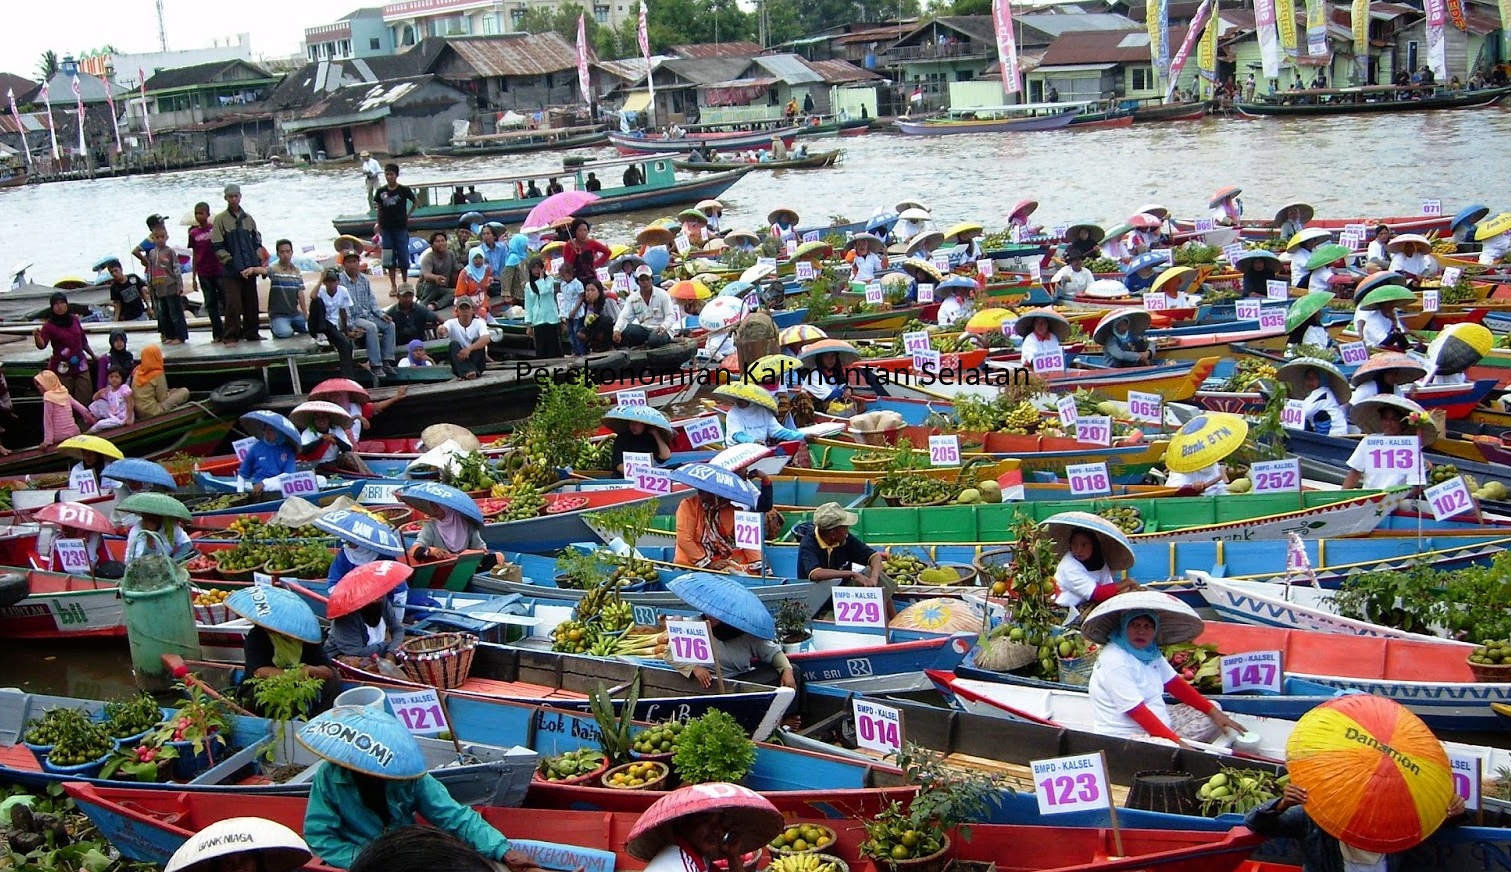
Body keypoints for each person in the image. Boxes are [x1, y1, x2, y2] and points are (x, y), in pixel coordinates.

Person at [302, 706, 537, 870]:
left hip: (405, 852)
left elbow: (455, 816)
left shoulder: (409, 776)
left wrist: (502, 850)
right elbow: (320, 836)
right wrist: (367, 861)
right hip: (358, 858)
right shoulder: (331, 776)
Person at [1087, 601, 1247, 743]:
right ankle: (1177, 747)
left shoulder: (1150, 652)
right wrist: (1178, 744)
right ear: (1124, 627)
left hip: (1161, 721)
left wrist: (1214, 713)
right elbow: (1137, 712)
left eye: (1147, 626)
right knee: (1168, 746)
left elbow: (1174, 684)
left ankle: (1177, 744)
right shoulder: (1115, 660)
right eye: (1135, 625)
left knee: (1214, 708)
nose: (1141, 632)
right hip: (1126, 735)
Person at [1247, 781, 1463, 872]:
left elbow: (1436, 822)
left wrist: (1454, 811)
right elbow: (1255, 824)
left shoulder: (1400, 819)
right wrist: (1282, 804)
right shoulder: (1314, 815)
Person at [795, 503, 891, 612]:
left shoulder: (845, 539)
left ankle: (893, 621)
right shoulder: (808, 543)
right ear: (833, 533)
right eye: (845, 528)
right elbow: (815, 574)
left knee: (872, 572)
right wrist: (852, 574)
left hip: (842, 593)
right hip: (816, 597)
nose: (848, 531)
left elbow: (875, 556)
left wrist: (874, 578)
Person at [674, 470, 773, 570]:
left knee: (746, 568)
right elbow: (684, 540)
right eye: (701, 489)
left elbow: (747, 541)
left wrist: (759, 565)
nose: (701, 492)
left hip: (721, 559)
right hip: (691, 563)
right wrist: (708, 564)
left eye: (706, 490)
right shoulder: (688, 505)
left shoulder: (732, 510)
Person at [211, 183, 265, 345]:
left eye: (236, 196)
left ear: (240, 197)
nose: (234, 199)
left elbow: (257, 242)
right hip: (231, 270)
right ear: (225, 198)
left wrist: (256, 262)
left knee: (251, 301)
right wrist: (231, 262)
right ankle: (231, 335)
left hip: (250, 267)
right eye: (230, 196)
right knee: (233, 303)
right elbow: (217, 245)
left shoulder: (248, 219)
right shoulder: (220, 220)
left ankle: (252, 332)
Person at [1343, 396, 1433, 488]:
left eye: (1394, 419)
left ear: (1403, 424)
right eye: (1385, 418)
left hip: (1399, 498)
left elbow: (1415, 485)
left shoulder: (1411, 446)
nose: (1388, 423)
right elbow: (1355, 471)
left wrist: (1392, 497)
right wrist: (1342, 497)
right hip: (1370, 496)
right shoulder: (1369, 441)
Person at [340, 252, 399, 378]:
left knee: (390, 325)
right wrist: (350, 325)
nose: (352, 265)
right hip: (354, 318)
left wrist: (381, 314)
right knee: (371, 327)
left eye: (354, 261)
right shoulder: (341, 281)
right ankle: (375, 364)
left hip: (367, 314)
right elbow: (343, 308)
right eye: (349, 262)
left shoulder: (363, 279)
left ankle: (387, 360)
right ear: (344, 264)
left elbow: (372, 301)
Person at [1053, 529, 1138, 610]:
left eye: (1084, 545)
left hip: (1087, 604)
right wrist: (1128, 582)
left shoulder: (1098, 560)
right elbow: (1099, 594)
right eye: (1074, 544)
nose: (1078, 550)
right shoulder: (1069, 567)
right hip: (1064, 609)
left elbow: (1107, 587)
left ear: (1093, 545)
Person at [326, 583, 404, 668]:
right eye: (374, 598)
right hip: (344, 655)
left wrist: (391, 652)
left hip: (378, 650)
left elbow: (398, 629)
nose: (379, 599)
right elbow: (355, 651)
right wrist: (388, 644)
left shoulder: (382, 601)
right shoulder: (347, 617)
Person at [375, 163, 417, 296]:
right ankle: (393, 285)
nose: (389, 177)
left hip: (400, 228)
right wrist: (378, 224)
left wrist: (408, 215)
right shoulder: (380, 191)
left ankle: (404, 282)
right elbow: (379, 209)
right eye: (387, 174)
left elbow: (415, 201)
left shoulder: (403, 190)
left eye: (391, 174)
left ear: (396, 175)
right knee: (388, 258)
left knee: (403, 256)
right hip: (386, 229)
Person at [311, 267, 360, 381]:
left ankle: (347, 376)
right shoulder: (321, 291)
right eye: (328, 281)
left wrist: (346, 330)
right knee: (316, 302)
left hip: (332, 325)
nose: (331, 284)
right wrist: (321, 279)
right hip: (318, 323)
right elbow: (313, 296)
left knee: (346, 345)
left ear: (338, 281)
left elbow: (343, 311)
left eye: (334, 281)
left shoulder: (342, 291)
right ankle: (320, 334)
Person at [187, 201, 225, 341]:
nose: (198, 216)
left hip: (218, 270)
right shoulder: (193, 233)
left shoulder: (215, 229)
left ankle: (232, 331)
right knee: (210, 303)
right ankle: (217, 333)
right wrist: (194, 276)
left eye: (201, 213)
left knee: (225, 300)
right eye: (196, 213)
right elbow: (195, 254)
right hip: (203, 272)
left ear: (208, 214)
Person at [146, 224, 189, 345]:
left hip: (170, 286)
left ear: (166, 237)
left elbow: (176, 269)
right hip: (158, 288)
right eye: (157, 237)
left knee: (175, 313)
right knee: (163, 313)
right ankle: (169, 334)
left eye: (162, 237)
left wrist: (179, 285)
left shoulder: (170, 252)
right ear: (153, 238)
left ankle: (180, 336)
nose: (160, 239)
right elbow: (150, 270)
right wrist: (149, 286)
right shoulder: (152, 253)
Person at [614, 266, 678, 348]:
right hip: (644, 329)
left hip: (662, 330)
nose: (645, 282)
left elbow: (670, 316)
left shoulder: (663, 294)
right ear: (637, 282)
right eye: (642, 280)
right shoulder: (632, 298)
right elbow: (624, 317)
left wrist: (663, 326)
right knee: (625, 331)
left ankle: (647, 344)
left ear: (652, 280)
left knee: (654, 339)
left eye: (648, 279)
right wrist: (617, 330)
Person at [238, 416, 298, 494]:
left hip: (279, 486)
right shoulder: (255, 448)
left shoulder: (288, 450)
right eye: (265, 430)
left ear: (278, 431)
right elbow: (242, 474)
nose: (267, 433)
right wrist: (240, 493)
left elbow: (288, 474)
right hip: (258, 488)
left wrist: (265, 483)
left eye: (271, 430)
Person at [263, 240, 310, 339]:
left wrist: (305, 313)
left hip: (294, 313)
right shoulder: (274, 268)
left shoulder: (296, 270)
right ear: (277, 254)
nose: (285, 255)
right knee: (285, 333)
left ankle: (293, 324)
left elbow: (300, 293)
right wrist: (253, 270)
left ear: (292, 252)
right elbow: (264, 270)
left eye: (288, 251)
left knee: (311, 328)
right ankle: (277, 325)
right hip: (279, 315)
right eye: (282, 252)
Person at [35, 371, 93, 450]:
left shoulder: (48, 397)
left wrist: (47, 440)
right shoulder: (64, 391)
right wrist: (90, 418)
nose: (39, 387)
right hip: (74, 432)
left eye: (41, 384)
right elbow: (80, 408)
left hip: (59, 436)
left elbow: (47, 420)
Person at [132, 345, 190, 419]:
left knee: (173, 391)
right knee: (184, 391)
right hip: (153, 412)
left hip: (138, 412)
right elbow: (162, 398)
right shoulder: (157, 373)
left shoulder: (137, 371)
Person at [523, 256, 563, 359]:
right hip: (538, 319)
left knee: (553, 346)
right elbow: (528, 306)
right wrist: (528, 324)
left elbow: (544, 291)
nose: (536, 270)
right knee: (541, 347)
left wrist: (541, 278)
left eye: (539, 267)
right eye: (534, 268)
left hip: (551, 318)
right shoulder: (528, 286)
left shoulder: (549, 280)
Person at [441, 298, 489, 380]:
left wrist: (469, 349)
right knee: (454, 344)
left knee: (477, 340)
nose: (465, 311)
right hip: (460, 362)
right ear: (457, 311)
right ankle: (467, 371)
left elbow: (486, 338)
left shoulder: (479, 323)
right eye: (462, 308)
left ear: (472, 310)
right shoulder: (451, 323)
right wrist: (441, 329)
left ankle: (470, 371)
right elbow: (444, 328)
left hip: (477, 363)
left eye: (467, 308)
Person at [1293, 364, 1348, 435]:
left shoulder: (1323, 393)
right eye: (1308, 378)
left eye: (1315, 378)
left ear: (1321, 379)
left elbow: (1304, 412)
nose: (1311, 381)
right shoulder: (1314, 394)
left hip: (1335, 435)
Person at [416, 232, 458, 311]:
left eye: (443, 241)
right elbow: (426, 275)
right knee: (432, 285)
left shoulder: (450, 254)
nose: (441, 243)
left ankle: (434, 305)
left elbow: (454, 271)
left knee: (456, 292)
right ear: (432, 245)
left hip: (443, 288)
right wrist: (436, 278)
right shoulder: (428, 258)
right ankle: (423, 305)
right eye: (438, 241)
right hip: (427, 288)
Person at [578, 279, 620, 353]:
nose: (589, 293)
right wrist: (591, 306)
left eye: (592, 290)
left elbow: (615, 318)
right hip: (595, 329)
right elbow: (587, 323)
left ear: (599, 292)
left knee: (605, 321)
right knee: (580, 332)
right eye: (587, 290)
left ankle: (609, 346)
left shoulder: (607, 301)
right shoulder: (589, 305)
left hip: (609, 328)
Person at [87, 367, 133, 432]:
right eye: (111, 377)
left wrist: (129, 418)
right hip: (112, 412)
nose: (114, 379)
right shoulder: (108, 389)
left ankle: (89, 433)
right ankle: (94, 420)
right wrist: (99, 392)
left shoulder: (124, 388)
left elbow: (130, 403)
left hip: (122, 417)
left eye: (117, 377)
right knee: (97, 403)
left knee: (100, 424)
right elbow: (94, 398)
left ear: (122, 379)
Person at [106, 258, 151, 323]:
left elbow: (142, 292)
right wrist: (115, 320)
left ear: (121, 269)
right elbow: (118, 305)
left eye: (116, 270)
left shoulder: (133, 277)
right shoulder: (114, 287)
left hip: (140, 313)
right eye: (111, 272)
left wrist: (149, 308)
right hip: (127, 318)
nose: (114, 274)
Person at [456, 247, 492, 319]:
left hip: (482, 303)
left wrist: (483, 307)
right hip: (466, 304)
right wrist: (473, 309)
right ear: (471, 259)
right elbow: (460, 295)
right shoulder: (465, 274)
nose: (478, 260)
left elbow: (484, 292)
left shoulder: (486, 270)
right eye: (475, 258)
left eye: (480, 258)